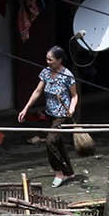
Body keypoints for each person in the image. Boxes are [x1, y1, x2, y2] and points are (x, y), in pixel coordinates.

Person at [18, 45, 81, 187]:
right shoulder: (46, 72)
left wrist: (71, 108)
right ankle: (70, 172)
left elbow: (74, 96)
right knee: (58, 144)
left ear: (59, 60)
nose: (48, 62)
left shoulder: (67, 75)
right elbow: (37, 91)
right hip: (50, 114)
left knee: (50, 142)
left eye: (50, 59)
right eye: (46, 59)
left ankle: (59, 172)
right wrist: (26, 108)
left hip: (61, 115)